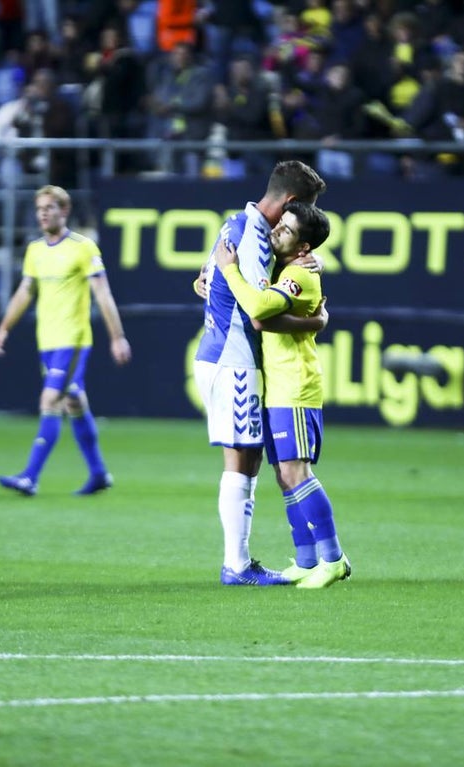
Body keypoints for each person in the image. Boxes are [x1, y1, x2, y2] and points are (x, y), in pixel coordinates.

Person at [194, 160, 327, 586]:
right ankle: (236, 565)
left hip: (224, 355)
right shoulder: (252, 238)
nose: (300, 222)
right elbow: (258, 312)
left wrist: (303, 260)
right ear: (290, 203)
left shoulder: (236, 222)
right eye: (302, 211)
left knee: (247, 459)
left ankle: (240, 563)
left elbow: (203, 278)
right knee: (240, 460)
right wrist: (315, 322)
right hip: (232, 358)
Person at [216, 201, 350, 589]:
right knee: (283, 475)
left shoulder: (299, 275)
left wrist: (228, 269)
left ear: (304, 248)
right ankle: (307, 560)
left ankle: (333, 558)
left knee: (297, 472)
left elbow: (258, 307)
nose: (276, 232)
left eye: (286, 230)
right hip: (277, 384)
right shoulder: (287, 266)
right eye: (280, 225)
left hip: (295, 384)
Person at [0, 185, 132, 497]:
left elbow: (103, 294)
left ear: (64, 211)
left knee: (49, 400)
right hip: (48, 341)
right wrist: (4, 328)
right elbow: (25, 291)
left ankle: (30, 476)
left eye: (49, 207)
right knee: (73, 402)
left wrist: (117, 337)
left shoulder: (83, 248)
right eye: (39, 208)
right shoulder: (35, 250)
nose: (43, 213)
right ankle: (98, 474)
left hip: (74, 338)